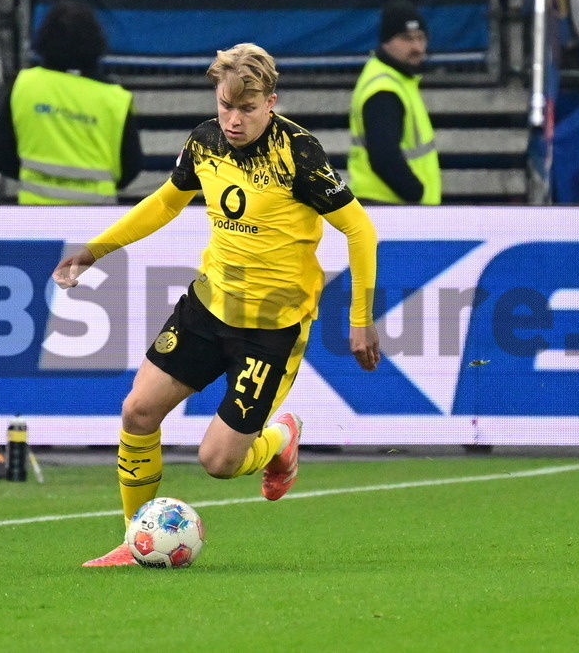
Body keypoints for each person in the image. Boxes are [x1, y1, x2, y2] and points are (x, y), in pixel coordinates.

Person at [52, 43, 381, 567]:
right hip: (207, 309)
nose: (233, 118)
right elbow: (164, 201)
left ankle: (281, 438)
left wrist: (360, 318)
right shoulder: (204, 143)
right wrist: (95, 251)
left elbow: (359, 229)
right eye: (226, 105)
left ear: (271, 102)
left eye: (247, 108)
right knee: (138, 410)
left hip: (272, 330)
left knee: (219, 462)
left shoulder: (298, 152)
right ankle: (134, 539)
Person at [0, 0, 142, 204]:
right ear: (95, 43)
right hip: (96, 219)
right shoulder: (115, 98)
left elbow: (0, 156)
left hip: (36, 216)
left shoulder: (25, 85)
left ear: (45, 39)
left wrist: (37, 178)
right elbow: (131, 167)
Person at [348, 0, 441, 204]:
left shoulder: (397, 79)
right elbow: (384, 158)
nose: (417, 47)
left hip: (391, 206)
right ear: (386, 41)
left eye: (421, 38)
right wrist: (416, 193)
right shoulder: (384, 89)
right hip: (390, 207)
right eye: (406, 38)